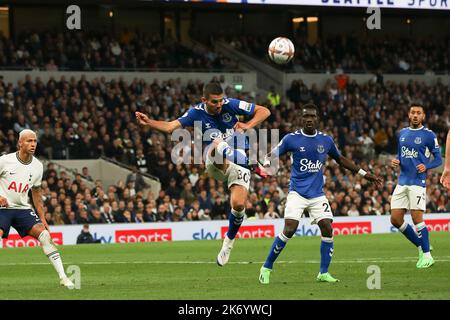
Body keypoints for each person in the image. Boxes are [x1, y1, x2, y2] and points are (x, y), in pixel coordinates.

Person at [136, 82, 270, 266]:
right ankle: (251, 164)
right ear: (204, 100)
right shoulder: (195, 112)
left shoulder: (231, 104)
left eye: (221, 100)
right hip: (216, 161)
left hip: (238, 160)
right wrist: (149, 122)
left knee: (238, 205)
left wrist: (248, 124)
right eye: (214, 102)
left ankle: (227, 245)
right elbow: (169, 127)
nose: (219, 104)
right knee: (217, 142)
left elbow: (264, 111)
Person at [258, 104, 383, 284]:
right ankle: (267, 267)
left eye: (312, 116)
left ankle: (323, 273)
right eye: (306, 116)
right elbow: (274, 152)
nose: (309, 119)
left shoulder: (326, 140)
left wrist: (365, 174)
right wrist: (268, 159)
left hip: (317, 194)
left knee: (327, 227)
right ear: (301, 119)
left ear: (317, 119)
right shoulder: (291, 139)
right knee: (290, 228)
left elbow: (340, 160)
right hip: (297, 192)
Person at [0, 129, 74, 288]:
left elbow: (36, 193)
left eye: (34, 141)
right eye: (29, 141)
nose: (33, 144)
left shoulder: (38, 166)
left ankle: (63, 277)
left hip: (22, 209)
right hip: (2, 209)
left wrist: (42, 217)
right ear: (20, 143)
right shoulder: (4, 161)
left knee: (45, 236)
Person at [390, 103, 442, 268]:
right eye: (413, 112)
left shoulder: (429, 135)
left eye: (418, 113)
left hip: (417, 182)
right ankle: (421, 245)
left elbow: (439, 159)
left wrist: (426, 166)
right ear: (408, 114)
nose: (415, 115)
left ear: (423, 116)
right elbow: (400, 154)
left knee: (416, 218)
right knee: (395, 219)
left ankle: (427, 256)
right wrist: (396, 161)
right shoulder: (402, 133)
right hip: (402, 181)